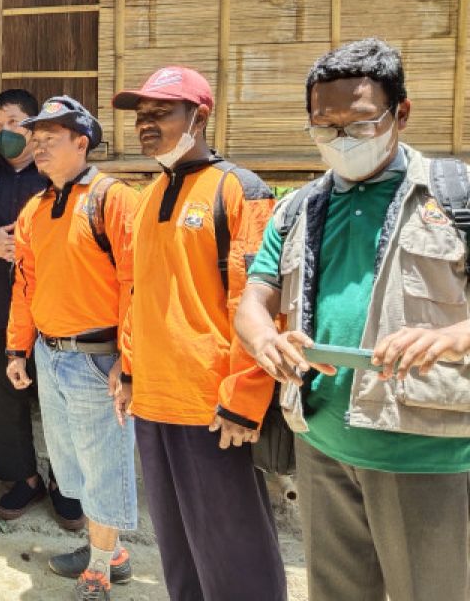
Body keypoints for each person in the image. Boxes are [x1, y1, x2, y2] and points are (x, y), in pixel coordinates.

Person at [235, 38, 470, 601]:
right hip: (322, 446)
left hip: (425, 455)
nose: (341, 139)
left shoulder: (454, 194)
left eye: (361, 123)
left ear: (401, 114)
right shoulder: (298, 208)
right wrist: (264, 339)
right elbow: (255, 294)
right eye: (325, 125)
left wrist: (448, 336)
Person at [110, 67, 286, 601]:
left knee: (235, 554)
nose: (146, 125)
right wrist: (130, 371)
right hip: (154, 401)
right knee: (178, 549)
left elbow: (260, 302)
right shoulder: (146, 197)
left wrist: (246, 397)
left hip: (213, 406)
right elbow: (139, 295)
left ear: (200, 117)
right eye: (141, 117)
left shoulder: (240, 190)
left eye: (160, 113)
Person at [2, 96, 139, 601]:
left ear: (82, 143)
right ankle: (109, 551)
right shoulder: (34, 209)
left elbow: (136, 284)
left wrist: (129, 360)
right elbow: (24, 285)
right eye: (33, 140)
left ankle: (100, 571)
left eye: (49, 139)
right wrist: (18, 350)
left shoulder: (114, 199)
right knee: (73, 465)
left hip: (98, 357)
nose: (36, 147)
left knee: (104, 465)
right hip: (50, 353)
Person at [0, 90, 87, 525]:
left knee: (63, 400)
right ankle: (23, 479)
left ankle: (68, 484)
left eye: (12, 122)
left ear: (33, 127)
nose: (2, 132)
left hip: (57, 312)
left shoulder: (55, 173)